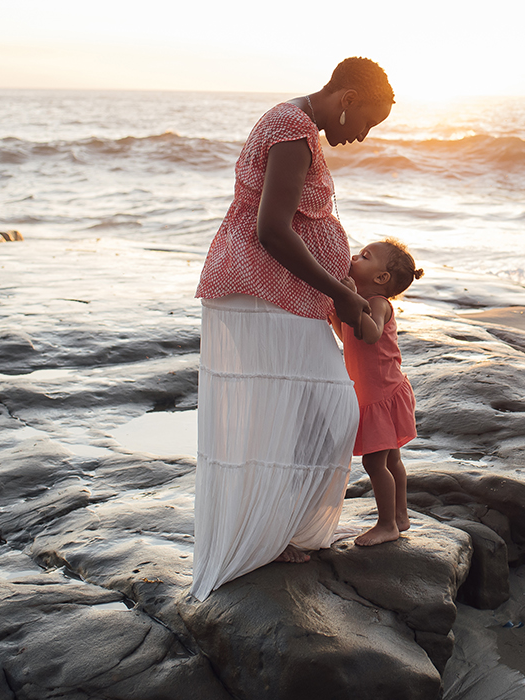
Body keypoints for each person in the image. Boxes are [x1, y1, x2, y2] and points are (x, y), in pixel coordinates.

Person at [189, 58, 394, 601]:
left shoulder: (299, 129)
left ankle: (279, 531)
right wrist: (344, 293)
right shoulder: (291, 131)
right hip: (260, 291)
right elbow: (272, 230)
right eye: (367, 121)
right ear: (347, 97)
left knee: (296, 417)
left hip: (276, 294)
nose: (364, 135)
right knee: (331, 412)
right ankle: (271, 534)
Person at [328, 239, 424, 546]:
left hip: (381, 395)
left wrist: (350, 298)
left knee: (375, 463)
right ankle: (400, 516)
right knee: (392, 459)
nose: (355, 257)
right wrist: (337, 310)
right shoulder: (363, 302)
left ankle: (386, 525)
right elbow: (348, 336)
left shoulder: (379, 304)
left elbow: (370, 335)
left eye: (364, 256)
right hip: (382, 390)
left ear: (381, 278)